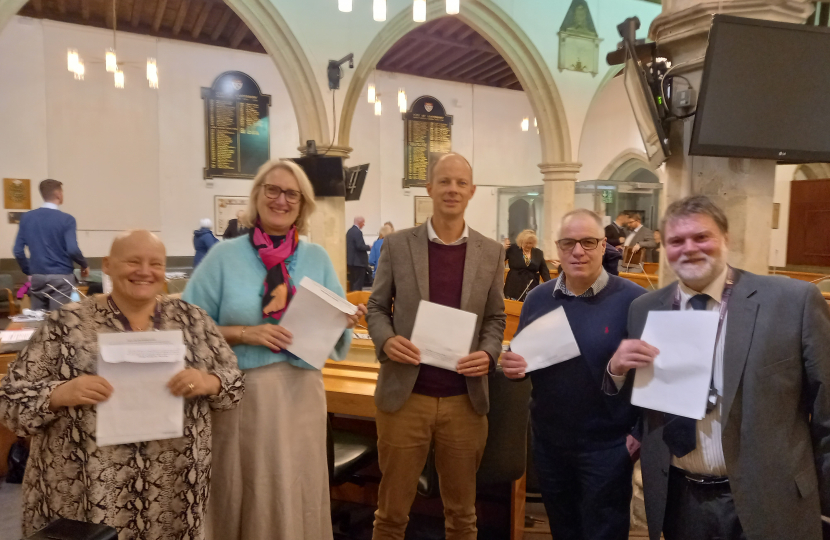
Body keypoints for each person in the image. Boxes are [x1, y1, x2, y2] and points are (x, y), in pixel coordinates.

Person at [605, 195, 830, 540]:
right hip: (681, 500)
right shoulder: (645, 309)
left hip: (770, 498)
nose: (689, 248)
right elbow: (639, 413)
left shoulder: (791, 302)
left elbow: (826, 411)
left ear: (726, 239)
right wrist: (617, 372)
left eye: (702, 237)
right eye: (677, 241)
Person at [0, 229, 245, 539]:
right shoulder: (65, 323)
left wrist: (209, 381)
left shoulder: (193, 321)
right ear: (108, 265)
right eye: (133, 261)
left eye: (155, 263)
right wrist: (60, 393)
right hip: (86, 496)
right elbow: (9, 400)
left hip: (173, 493)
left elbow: (234, 383)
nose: (145, 271)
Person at [183, 159, 366, 540]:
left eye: (291, 194)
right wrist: (245, 333)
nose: (281, 200)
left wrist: (344, 318)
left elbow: (334, 329)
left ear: (302, 205)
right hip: (244, 395)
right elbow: (187, 327)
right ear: (257, 196)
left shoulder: (316, 257)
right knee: (249, 487)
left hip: (302, 392)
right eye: (273, 190)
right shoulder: (223, 257)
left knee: (296, 486)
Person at [367, 153, 506, 540]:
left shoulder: (491, 252)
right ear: (429, 188)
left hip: (464, 400)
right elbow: (377, 307)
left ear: (472, 191)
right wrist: (387, 339)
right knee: (391, 514)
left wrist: (490, 352)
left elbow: (495, 318)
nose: (452, 189)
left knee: (462, 516)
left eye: (461, 183)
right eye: (444, 181)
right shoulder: (396, 246)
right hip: (405, 398)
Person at [501, 209, 646, 540]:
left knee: (604, 533)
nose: (578, 251)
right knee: (563, 530)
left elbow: (654, 376)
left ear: (603, 245)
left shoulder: (634, 301)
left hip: (608, 446)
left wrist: (638, 434)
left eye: (588, 242)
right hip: (551, 443)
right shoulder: (539, 298)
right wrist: (514, 367)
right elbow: (525, 360)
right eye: (568, 243)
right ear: (557, 247)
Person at [13, 179, 89, 310]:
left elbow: (18, 251)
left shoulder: (27, 217)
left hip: (37, 276)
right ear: (59, 194)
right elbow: (72, 249)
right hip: (61, 277)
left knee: (38, 321)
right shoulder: (67, 219)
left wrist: (30, 271)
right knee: (58, 322)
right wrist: (84, 264)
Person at [504, 229, 551, 300]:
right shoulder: (512, 249)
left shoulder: (538, 253)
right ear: (521, 241)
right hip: (514, 286)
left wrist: (550, 286)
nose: (528, 245)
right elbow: (499, 258)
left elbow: (544, 271)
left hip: (531, 286)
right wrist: (503, 249)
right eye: (526, 243)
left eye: (531, 243)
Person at [347, 216, 371, 291]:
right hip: (358, 263)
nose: (364, 224)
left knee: (353, 283)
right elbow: (359, 246)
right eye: (363, 222)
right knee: (358, 284)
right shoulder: (358, 232)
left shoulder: (349, 231)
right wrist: (369, 247)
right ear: (360, 222)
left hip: (351, 262)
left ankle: (351, 300)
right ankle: (356, 301)